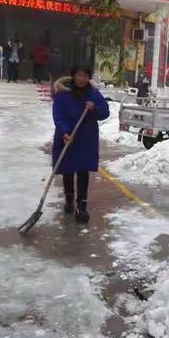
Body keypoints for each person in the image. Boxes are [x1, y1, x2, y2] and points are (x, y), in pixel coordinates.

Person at [52, 66, 110, 223]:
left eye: (85, 76)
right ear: (74, 76)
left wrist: (94, 108)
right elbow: (58, 114)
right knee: (68, 170)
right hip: (68, 136)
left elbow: (105, 112)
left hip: (86, 138)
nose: (82, 79)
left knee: (83, 171)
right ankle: (69, 199)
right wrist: (65, 132)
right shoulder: (63, 94)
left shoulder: (93, 93)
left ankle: (81, 206)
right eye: (79, 75)